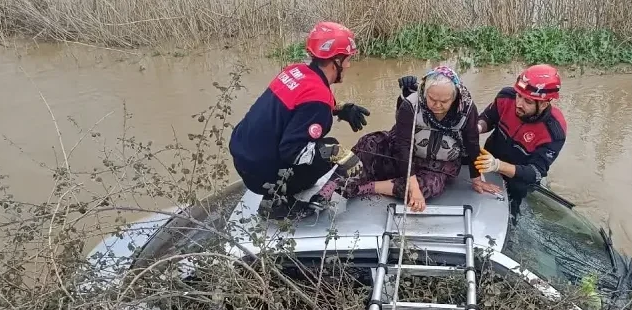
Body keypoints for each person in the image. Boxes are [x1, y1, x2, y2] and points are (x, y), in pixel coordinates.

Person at [228, 21, 371, 219]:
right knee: (330, 148)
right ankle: (277, 204)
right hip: (260, 176)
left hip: (244, 159)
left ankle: (280, 187)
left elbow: (295, 106)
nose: (348, 64)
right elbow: (292, 151)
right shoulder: (318, 99)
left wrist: (340, 109)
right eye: (347, 59)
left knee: (322, 149)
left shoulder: (294, 71)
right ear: (336, 61)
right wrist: (339, 154)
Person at [345, 65, 500, 211]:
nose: (437, 105)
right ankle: (347, 180)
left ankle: (366, 187)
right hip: (406, 155)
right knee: (368, 143)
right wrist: (413, 187)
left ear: (454, 97)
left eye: (444, 101)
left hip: (438, 165)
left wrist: (476, 178)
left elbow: (472, 143)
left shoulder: (467, 109)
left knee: (429, 187)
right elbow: (403, 146)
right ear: (425, 92)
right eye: (432, 99)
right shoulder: (411, 105)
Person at [473, 64, 567, 222]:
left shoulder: (554, 131)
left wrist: (498, 165)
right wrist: (477, 127)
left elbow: (536, 172)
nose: (518, 104)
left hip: (517, 181)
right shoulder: (506, 97)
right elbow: (488, 118)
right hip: (488, 164)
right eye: (519, 95)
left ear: (544, 104)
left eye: (528, 101)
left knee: (510, 218)